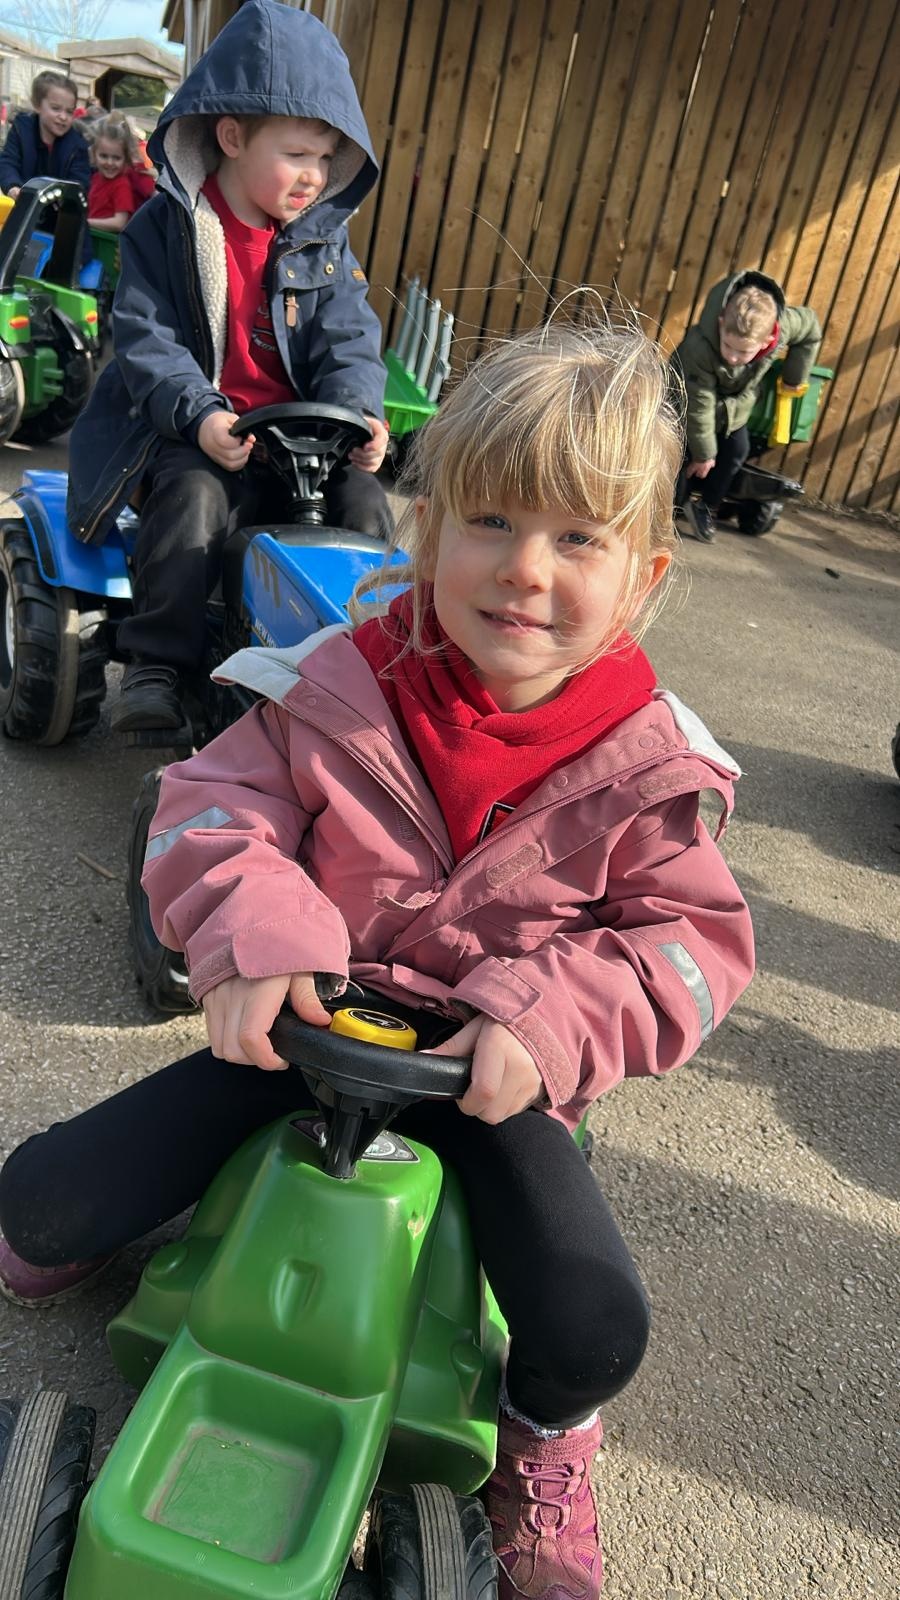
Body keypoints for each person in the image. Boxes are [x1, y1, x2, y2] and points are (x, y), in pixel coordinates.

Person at [0, 317, 755, 1600]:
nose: (526, 569)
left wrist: (547, 1020)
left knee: (590, 1327)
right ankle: (112, 1226)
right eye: (492, 521)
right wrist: (255, 936)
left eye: (578, 538)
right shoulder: (336, 683)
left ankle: (546, 1445)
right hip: (301, 1031)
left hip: (488, 1080)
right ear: (430, 529)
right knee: (38, 1207)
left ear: (643, 574)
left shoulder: (651, 767)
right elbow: (208, 808)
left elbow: (690, 946)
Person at [65, 0, 392, 736]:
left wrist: (360, 412)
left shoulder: (323, 245)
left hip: (301, 443)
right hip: (191, 432)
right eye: (299, 155)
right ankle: (159, 663)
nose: (315, 176)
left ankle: (369, 671)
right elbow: (147, 341)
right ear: (234, 136)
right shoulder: (165, 229)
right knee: (194, 499)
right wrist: (201, 415)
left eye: (326, 159)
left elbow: (349, 336)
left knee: (366, 506)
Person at [672, 269, 821, 542]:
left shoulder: (784, 327)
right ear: (721, 324)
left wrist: (794, 378)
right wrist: (704, 454)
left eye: (743, 351)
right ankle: (670, 503)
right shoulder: (699, 348)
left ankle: (705, 507)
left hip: (732, 410)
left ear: (768, 341)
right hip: (684, 404)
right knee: (684, 452)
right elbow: (698, 405)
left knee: (737, 450)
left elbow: (810, 328)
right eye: (728, 346)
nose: (732, 357)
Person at [0, 70, 90, 198]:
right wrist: (13, 186)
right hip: (22, 199)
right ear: (37, 105)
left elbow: (80, 183)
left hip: (60, 206)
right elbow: (8, 161)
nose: (63, 117)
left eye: (69, 111)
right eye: (56, 108)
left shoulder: (77, 145)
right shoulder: (22, 130)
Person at [86, 113, 143, 233]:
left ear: (126, 159)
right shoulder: (96, 178)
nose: (109, 163)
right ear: (94, 154)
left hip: (107, 242)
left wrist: (86, 222)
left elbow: (119, 223)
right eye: (103, 156)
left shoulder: (121, 185)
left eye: (116, 158)